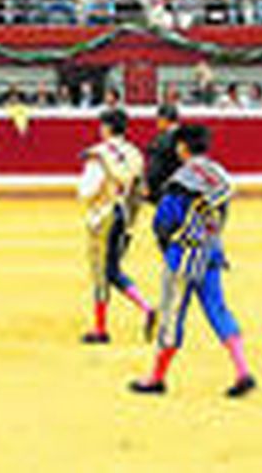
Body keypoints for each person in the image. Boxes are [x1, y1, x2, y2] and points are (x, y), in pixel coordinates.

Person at [130, 125, 256, 398]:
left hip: (183, 255)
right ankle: (242, 370)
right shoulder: (219, 175)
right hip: (211, 251)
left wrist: (166, 245)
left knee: (171, 316)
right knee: (218, 310)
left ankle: (156, 378)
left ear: (182, 148)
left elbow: (164, 222)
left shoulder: (181, 180)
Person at [77, 108, 155, 344]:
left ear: (107, 128)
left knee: (100, 272)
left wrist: (88, 199)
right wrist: (131, 223)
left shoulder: (98, 154)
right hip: (124, 215)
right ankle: (146, 308)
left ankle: (101, 329)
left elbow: (87, 190)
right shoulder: (135, 153)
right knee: (111, 269)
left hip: (102, 215)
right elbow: (140, 191)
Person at [143, 104, 182, 206]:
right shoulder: (186, 136)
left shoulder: (163, 139)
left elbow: (156, 168)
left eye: (158, 119)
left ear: (165, 120)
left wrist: (149, 187)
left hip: (163, 190)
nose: (157, 123)